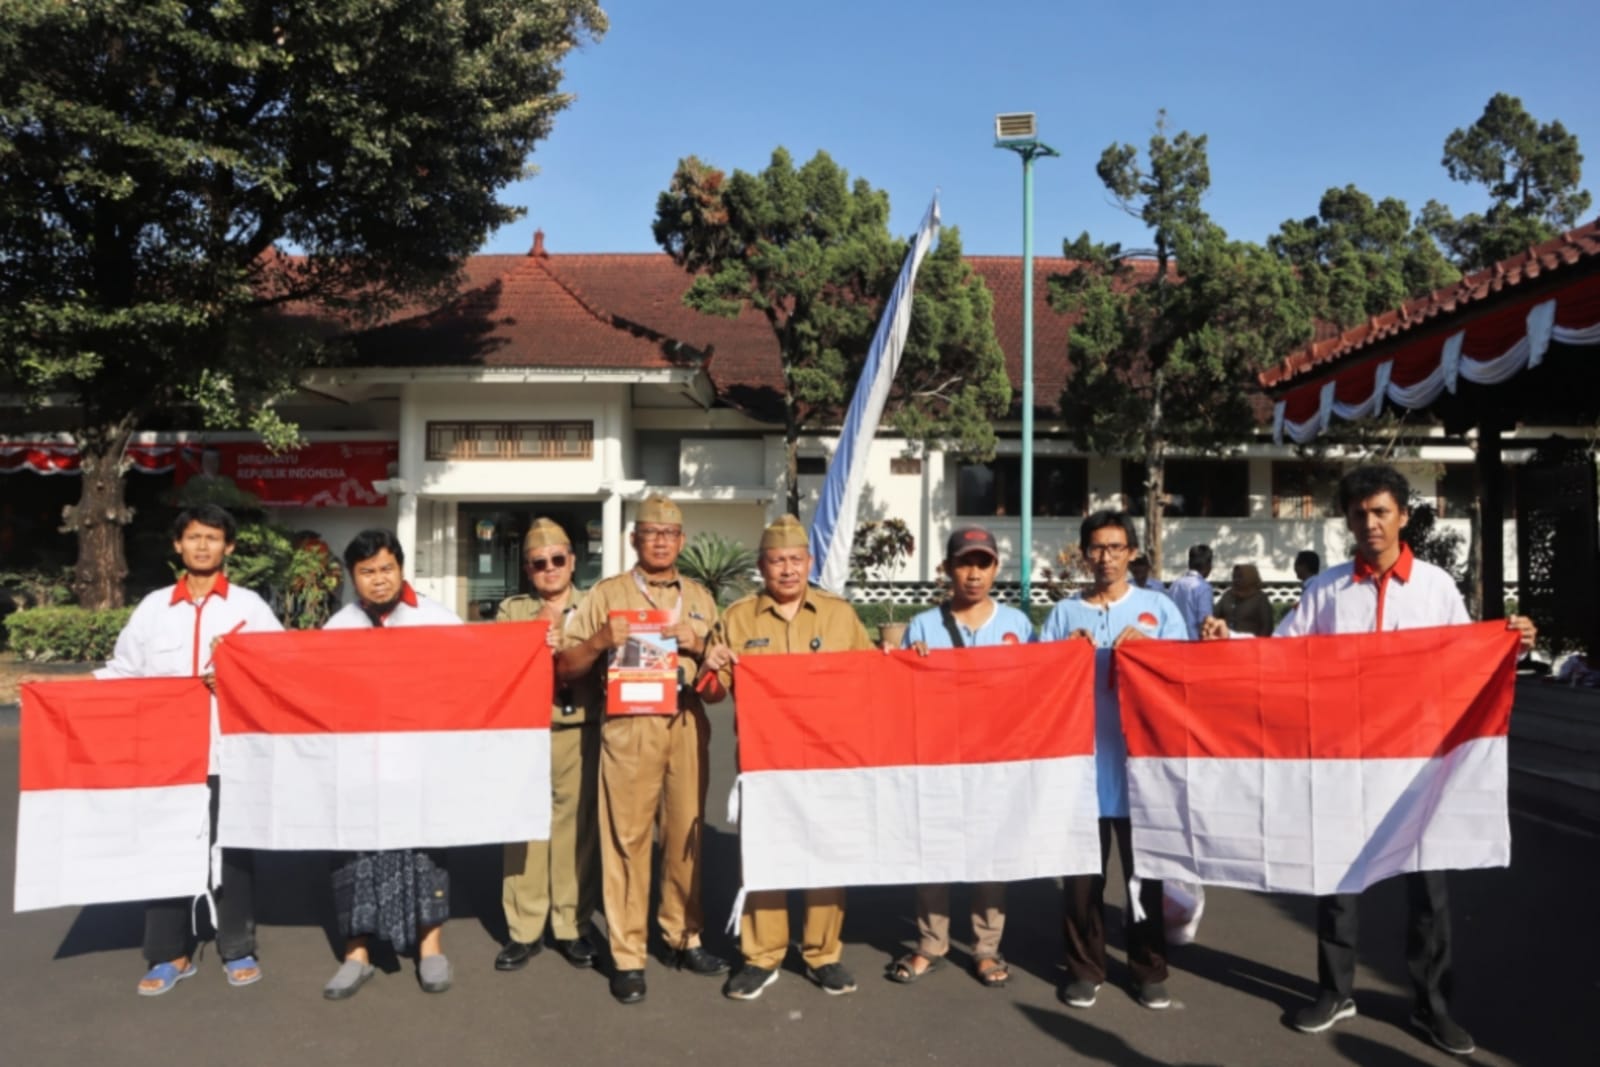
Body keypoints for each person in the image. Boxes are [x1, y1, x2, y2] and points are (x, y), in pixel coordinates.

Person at [1201, 465, 1537, 1056]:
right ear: (1348, 520)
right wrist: (1229, 642)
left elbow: (1467, 661)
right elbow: (1284, 662)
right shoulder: (1324, 589)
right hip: (1343, 762)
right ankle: (1335, 991)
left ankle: (1432, 1007)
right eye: (1360, 514)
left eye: (1382, 512)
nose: (1371, 523)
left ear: (1403, 515)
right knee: (1335, 880)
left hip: (1418, 767)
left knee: (1428, 889)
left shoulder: (1435, 587)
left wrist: (1512, 640)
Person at [98, 504, 283, 997]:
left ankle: (237, 945)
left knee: (234, 852)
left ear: (230, 548)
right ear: (178, 546)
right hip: (166, 756)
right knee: (164, 850)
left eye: (213, 538)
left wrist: (235, 676)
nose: (203, 546)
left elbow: (280, 670)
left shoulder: (248, 608)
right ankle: (168, 953)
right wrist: (60, 691)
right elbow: (122, 673)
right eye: (194, 537)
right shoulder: (154, 608)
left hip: (231, 753)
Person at [556, 494, 728, 1005]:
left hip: (686, 721)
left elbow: (720, 681)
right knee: (626, 841)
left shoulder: (700, 597)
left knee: (686, 837)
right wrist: (599, 641)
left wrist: (699, 644)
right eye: (650, 532)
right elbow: (565, 666)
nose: (660, 540)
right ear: (634, 540)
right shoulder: (606, 595)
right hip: (630, 725)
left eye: (669, 533)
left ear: (682, 540)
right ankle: (628, 955)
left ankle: (683, 936)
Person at [702, 514, 876, 1001]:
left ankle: (823, 953)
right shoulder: (738, 617)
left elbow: (870, 680)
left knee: (825, 854)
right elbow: (715, 695)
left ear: (810, 562)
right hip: (765, 762)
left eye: (795, 560)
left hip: (827, 759)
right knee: (764, 856)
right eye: (776, 561)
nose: (787, 570)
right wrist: (710, 667)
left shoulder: (839, 615)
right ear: (761, 566)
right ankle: (762, 956)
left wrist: (898, 656)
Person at [1039, 511, 1188, 1011]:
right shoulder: (1063, 615)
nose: (1106, 558)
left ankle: (1148, 969)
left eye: (1116, 547)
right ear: (1084, 553)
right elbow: (1036, 686)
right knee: (1083, 881)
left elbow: (1189, 676)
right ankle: (1085, 968)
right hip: (1081, 769)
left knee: (1144, 875)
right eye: (1097, 548)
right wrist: (1062, 655)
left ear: (1132, 553)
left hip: (1142, 770)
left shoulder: (1159, 609)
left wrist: (1153, 651)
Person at [885, 525, 1034, 990]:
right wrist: (905, 660)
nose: (974, 574)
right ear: (947, 569)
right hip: (939, 757)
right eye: (965, 563)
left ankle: (987, 948)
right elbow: (903, 694)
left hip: (996, 759)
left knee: (990, 854)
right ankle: (932, 943)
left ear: (995, 569)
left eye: (983, 563)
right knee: (936, 850)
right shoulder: (926, 625)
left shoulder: (1019, 625)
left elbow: (1039, 689)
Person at [321, 530, 464, 1000]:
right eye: (367, 572)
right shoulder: (337, 629)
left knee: (425, 853)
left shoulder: (439, 621)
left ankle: (431, 949)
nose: (378, 581)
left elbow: (475, 674)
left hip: (420, 761)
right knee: (355, 857)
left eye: (386, 569)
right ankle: (356, 954)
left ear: (401, 569)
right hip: (358, 765)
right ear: (353, 577)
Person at [493, 518, 603, 973]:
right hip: (527, 734)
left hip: (579, 728)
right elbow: (497, 666)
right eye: (539, 564)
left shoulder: (597, 606)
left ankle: (572, 924)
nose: (550, 569)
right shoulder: (512, 611)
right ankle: (524, 928)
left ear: (573, 561)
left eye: (558, 559)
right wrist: (534, 635)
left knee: (576, 830)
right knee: (524, 832)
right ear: (526, 570)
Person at [1166, 544, 1215, 638]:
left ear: (1189, 564)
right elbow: (1205, 621)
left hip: (1174, 641)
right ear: (1208, 566)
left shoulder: (1175, 585)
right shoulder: (1203, 588)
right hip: (1194, 644)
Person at [1216, 563, 1274, 637]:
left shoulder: (1260, 598)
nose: (1236, 580)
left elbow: (1267, 626)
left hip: (1250, 644)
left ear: (1249, 578)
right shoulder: (1229, 594)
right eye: (1234, 577)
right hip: (1226, 641)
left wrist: (1259, 644)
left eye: (1240, 577)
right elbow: (1215, 615)